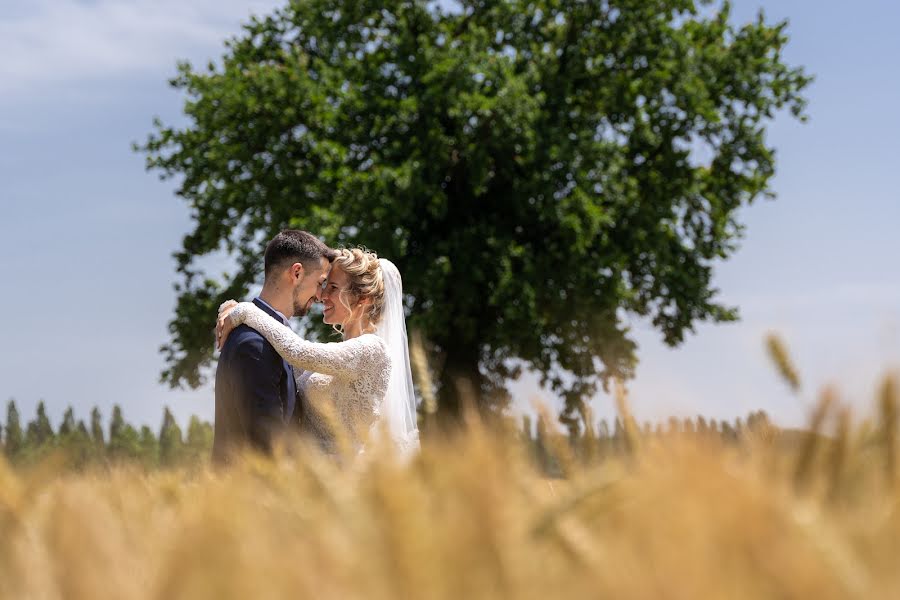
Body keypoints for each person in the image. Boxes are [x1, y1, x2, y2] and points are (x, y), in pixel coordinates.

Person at [216, 247, 419, 456]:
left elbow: (297, 351)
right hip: (309, 473)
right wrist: (231, 308)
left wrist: (245, 310)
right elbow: (286, 353)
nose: (322, 295)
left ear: (362, 298)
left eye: (333, 287)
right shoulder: (338, 354)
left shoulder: (372, 350)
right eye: (324, 286)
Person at [212, 230, 336, 464]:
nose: (320, 296)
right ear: (297, 273)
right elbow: (267, 449)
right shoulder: (254, 344)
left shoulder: (267, 336)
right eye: (320, 283)